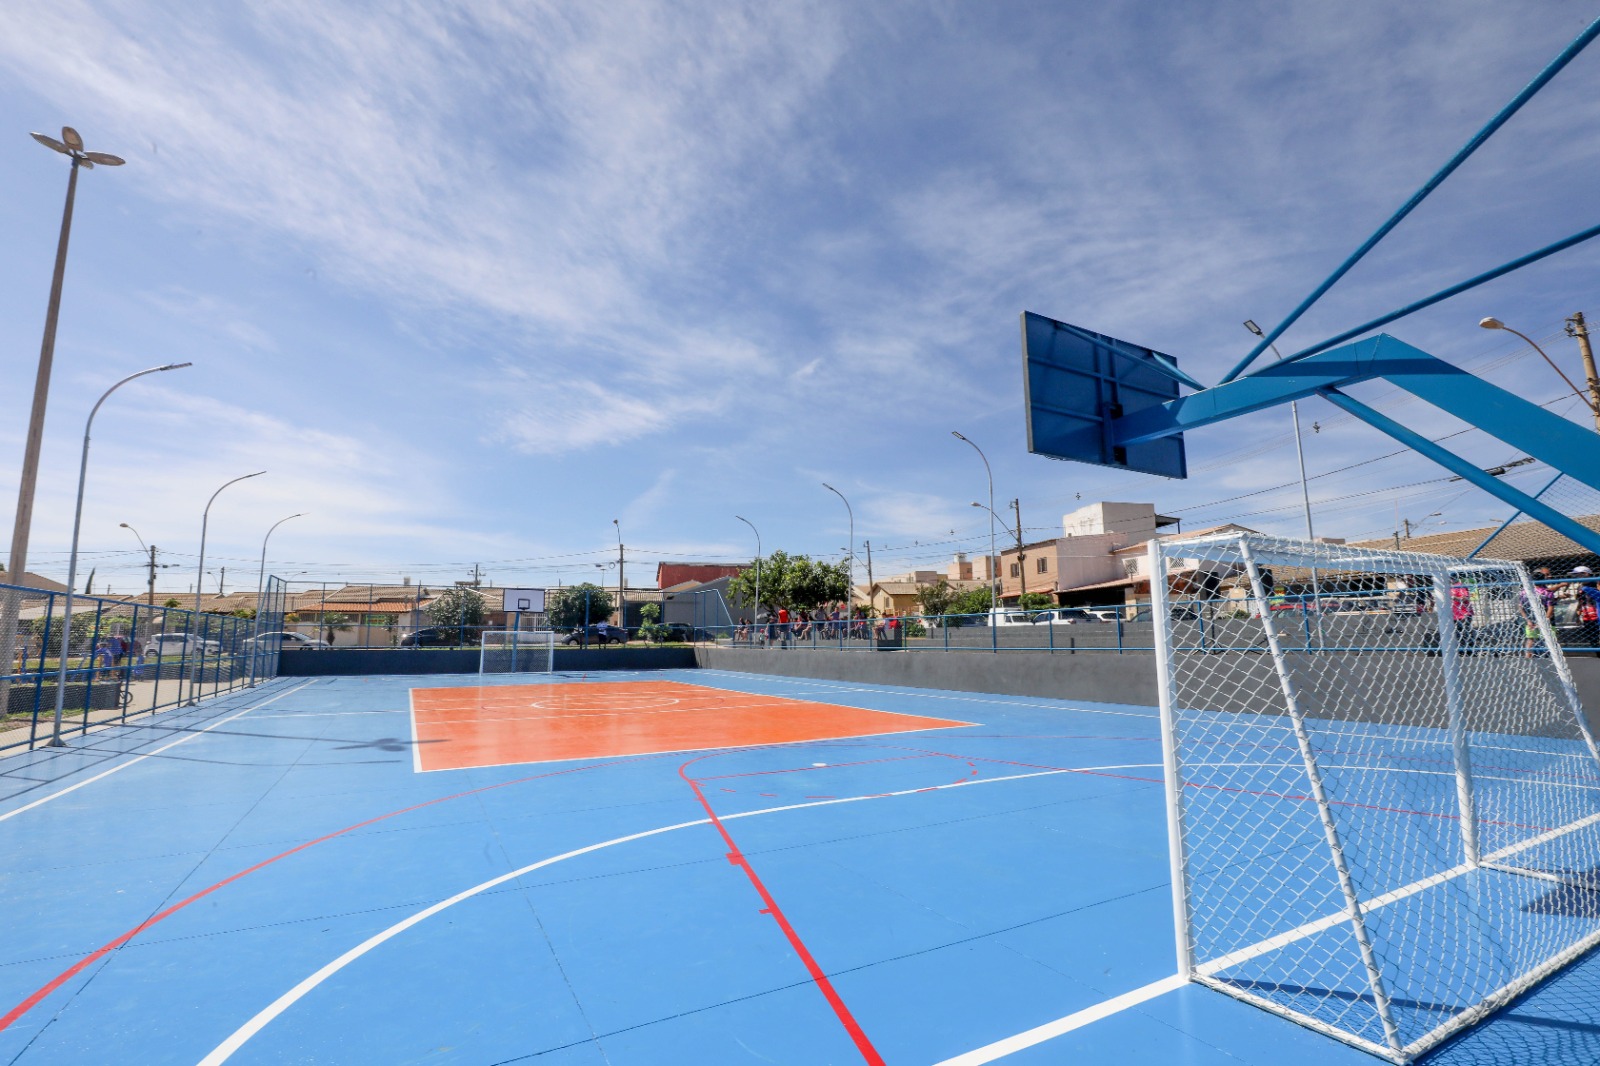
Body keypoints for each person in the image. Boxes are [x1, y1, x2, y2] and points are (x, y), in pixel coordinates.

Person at [1519, 568, 1556, 658]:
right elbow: (1550, 608)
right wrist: (1544, 621)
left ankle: (1528, 657)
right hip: (1545, 620)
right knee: (1550, 640)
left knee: (1530, 640)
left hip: (1531, 619)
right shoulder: (1547, 592)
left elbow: (1520, 607)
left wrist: (1527, 620)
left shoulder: (1524, 592)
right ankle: (1554, 657)